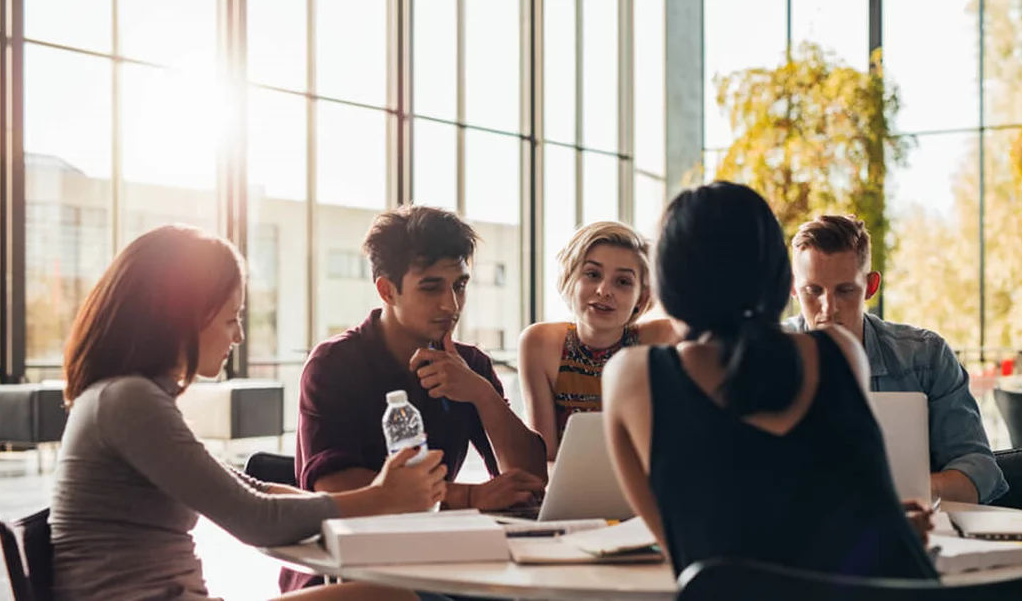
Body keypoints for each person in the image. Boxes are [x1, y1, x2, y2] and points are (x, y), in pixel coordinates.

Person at [50, 225, 446, 601]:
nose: (238, 335)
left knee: (387, 594)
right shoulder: (129, 401)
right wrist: (381, 497)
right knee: (389, 596)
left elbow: (252, 491)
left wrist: (374, 498)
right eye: (231, 319)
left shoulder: (124, 397)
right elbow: (256, 519)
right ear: (181, 318)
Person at [602, 182, 938, 580]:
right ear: (779, 275)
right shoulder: (841, 352)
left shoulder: (631, 377)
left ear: (666, 280)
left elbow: (690, 553)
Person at [283, 205, 548, 592]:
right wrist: (467, 496)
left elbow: (531, 479)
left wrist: (481, 393)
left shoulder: (469, 364)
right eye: (431, 287)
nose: (451, 305)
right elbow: (333, 486)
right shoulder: (334, 364)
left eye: (459, 285)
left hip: (437, 560)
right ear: (387, 290)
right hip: (346, 572)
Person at [784, 214, 1007, 505]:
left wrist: (907, 490)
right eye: (813, 291)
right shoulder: (762, 358)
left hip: (900, 524)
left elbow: (980, 472)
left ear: (870, 286)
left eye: (845, 290)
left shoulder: (926, 357)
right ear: (793, 288)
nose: (829, 309)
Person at [518, 221, 677, 460]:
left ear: (641, 297)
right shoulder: (539, 343)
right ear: (569, 280)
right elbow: (546, 457)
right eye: (592, 274)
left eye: (623, 282)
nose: (604, 290)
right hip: (569, 481)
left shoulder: (660, 338)